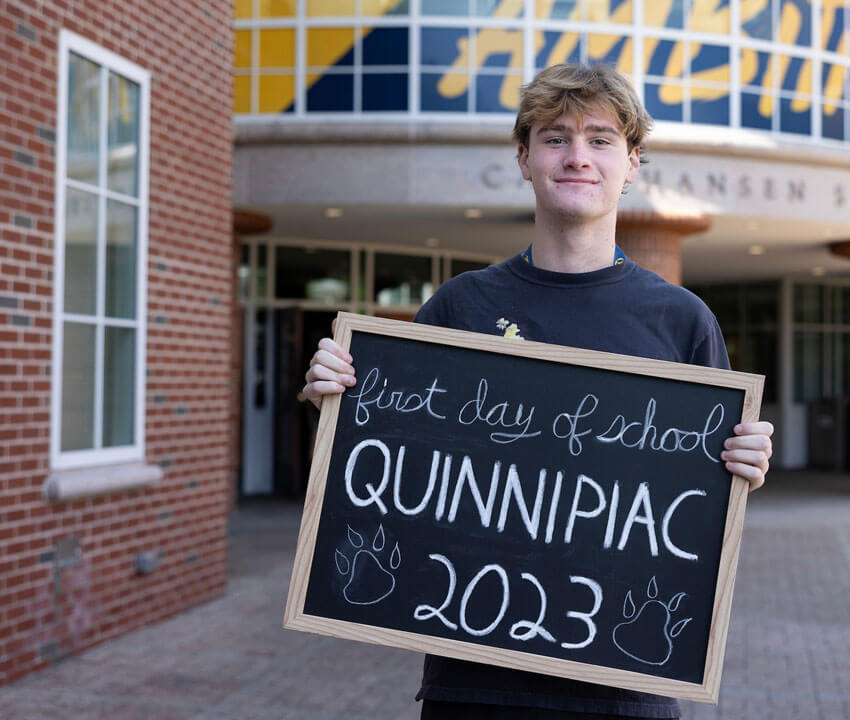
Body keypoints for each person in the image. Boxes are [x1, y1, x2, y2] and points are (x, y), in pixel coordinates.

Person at [301, 63, 774, 720]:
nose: (578, 156)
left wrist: (745, 466)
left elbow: (703, 499)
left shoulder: (682, 321)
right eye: (556, 138)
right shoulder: (462, 305)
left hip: (627, 681)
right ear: (523, 158)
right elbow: (385, 457)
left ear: (632, 163)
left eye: (601, 139)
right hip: (472, 680)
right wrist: (338, 398)